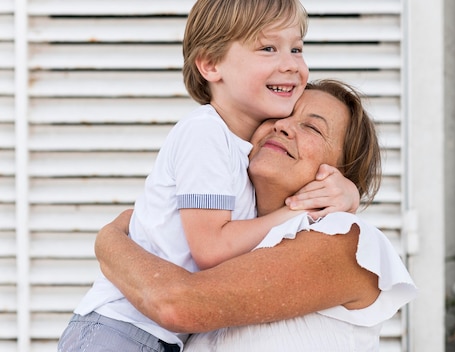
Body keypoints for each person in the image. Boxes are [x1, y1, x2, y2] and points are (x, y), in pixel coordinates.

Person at [57, 1, 359, 351]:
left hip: (158, 336)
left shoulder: (247, 151)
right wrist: (298, 210)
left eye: (296, 48)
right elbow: (211, 250)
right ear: (211, 64)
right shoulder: (205, 135)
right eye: (268, 48)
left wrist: (345, 191)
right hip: (121, 328)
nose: (291, 64)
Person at [94, 80, 418, 351]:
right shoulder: (227, 241)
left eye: (311, 127)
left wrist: (108, 240)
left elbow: (177, 304)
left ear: (340, 172)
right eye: (280, 114)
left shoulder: (346, 239)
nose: (283, 126)